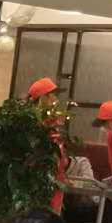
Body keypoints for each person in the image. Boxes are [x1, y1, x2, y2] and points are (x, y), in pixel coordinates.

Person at [28, 77, 67, 215]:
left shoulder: (54, 121)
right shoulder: (35, 122)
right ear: (42, 98)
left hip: (56, 175)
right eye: (52, 96)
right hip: (43, 176)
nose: (56, 100)